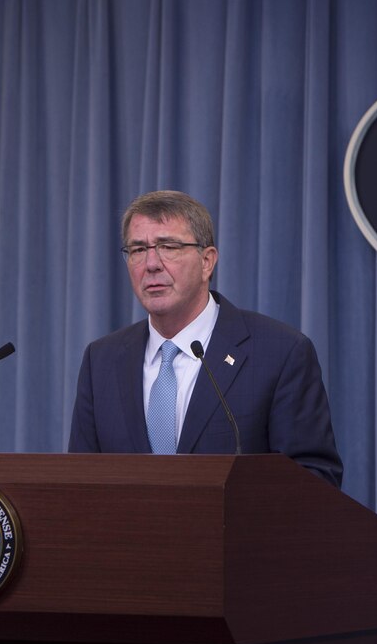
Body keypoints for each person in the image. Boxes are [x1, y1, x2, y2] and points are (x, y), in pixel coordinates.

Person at [68, 190, 342, 488]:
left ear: (207, 262)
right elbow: (80, 481)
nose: (151, 264)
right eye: (137, 250)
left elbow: (313, 480)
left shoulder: (279, 353)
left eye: (168, 246)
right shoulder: (102, 360)